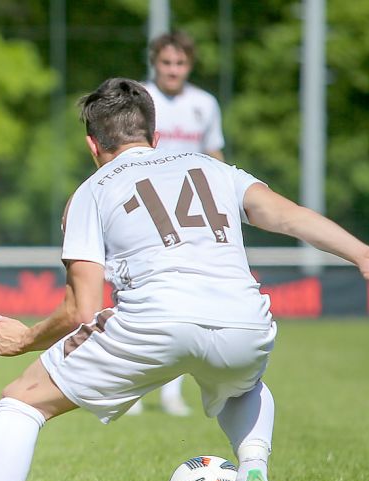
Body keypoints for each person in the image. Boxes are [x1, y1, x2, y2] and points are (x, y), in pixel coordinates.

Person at [0, 78, 369, 481]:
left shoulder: (91, 191)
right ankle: (253, 470)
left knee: (22, 402)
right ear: (155, 135)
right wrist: (363, 253)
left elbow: (80, 309)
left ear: (91, 144)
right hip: (244, 320)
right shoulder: (214, 168)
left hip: (154, 320)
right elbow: (288, 215)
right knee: (242, 385)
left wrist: (27, 338)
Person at [139, 30, 226, 416]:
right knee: (137, 298)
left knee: (182, 303)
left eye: (180, 63)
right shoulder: (139, 99)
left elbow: (214, 155)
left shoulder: (205, 104)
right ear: (154, 63)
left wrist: (224, 201)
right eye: (166, 62)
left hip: (189, 217)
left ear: (189, 66)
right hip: (141, 212)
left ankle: (171, 392)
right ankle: (134, 391)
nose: (173, 70)